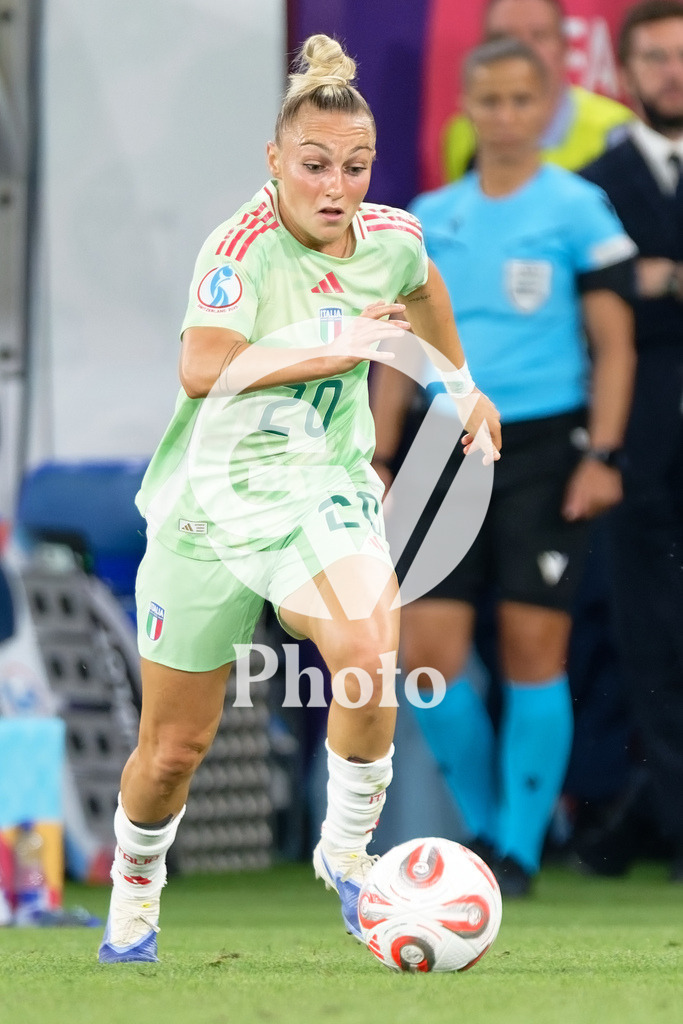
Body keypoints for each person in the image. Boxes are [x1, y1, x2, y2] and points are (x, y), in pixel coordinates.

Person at [97, 34, 501, 963]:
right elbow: (203, 368)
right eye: (314, 165)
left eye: (355, 166)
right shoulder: (239, 247)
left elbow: (423, 289)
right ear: (275, 163)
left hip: (322, 486)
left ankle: (350, 858)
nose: (335, 185)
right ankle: (134, 892)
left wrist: (457, 386)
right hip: (211, 508)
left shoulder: (390, 239)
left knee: (366, 645)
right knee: (171, 753)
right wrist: (339, 347)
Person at [371, 37, 636, 896]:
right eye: (490, 101)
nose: (506, 116)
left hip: (540, 443)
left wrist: (601, 452)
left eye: (523, 100)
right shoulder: (428, 215)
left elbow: (614, 342)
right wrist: (377, 456)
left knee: (533, 647)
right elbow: (394, 344)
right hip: (438, 446)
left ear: (547, 104)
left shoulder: (579, 207)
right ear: (467, 108)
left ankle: (518, 848)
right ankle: (485, 832)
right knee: (427, 658)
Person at [578, 0, 683, 882]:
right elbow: (593, 313)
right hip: (636, 448)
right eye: (654, 57)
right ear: (623, 72)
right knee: (645, 642)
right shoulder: (592, 185)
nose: (672, 73)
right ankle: (667, 822)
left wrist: (655, 280)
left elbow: (637, 288)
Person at [442, 0, 633, 181]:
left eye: (539, 35)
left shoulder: (616, 131)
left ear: (564, 47)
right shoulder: (461, 133)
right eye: (504, 38)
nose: (523, 49)